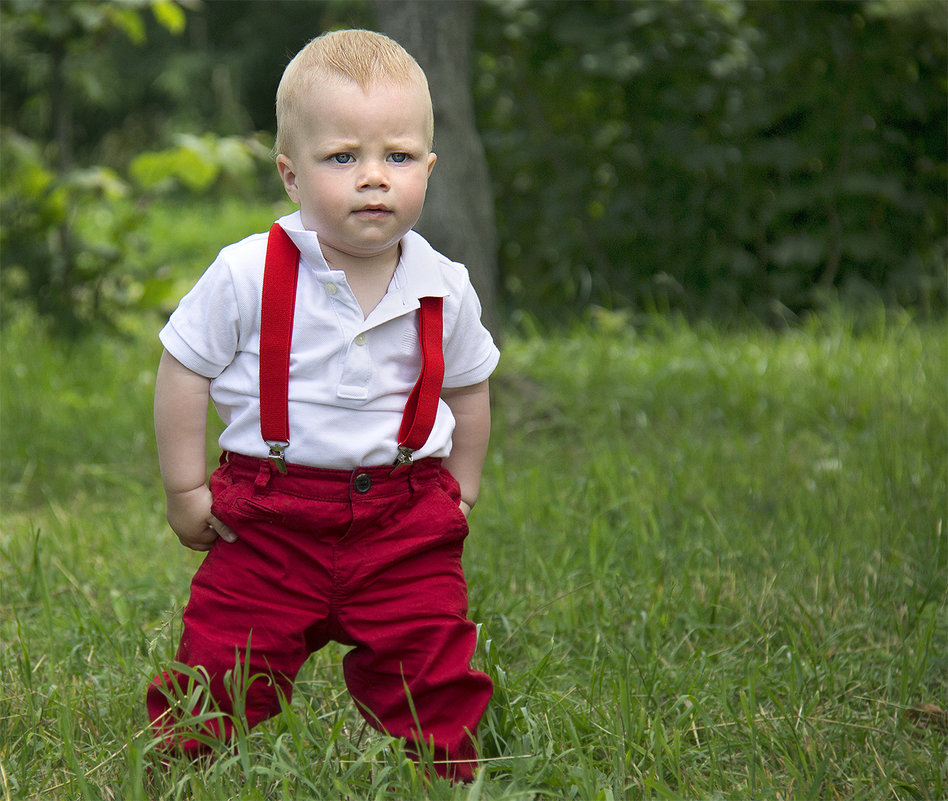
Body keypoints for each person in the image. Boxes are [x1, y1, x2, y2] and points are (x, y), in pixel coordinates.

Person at [146, 29, 497, 783]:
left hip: (406, 519)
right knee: (223, 659)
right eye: (343, 157)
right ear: (291, 175)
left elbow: (468, 386)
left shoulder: (444, 284)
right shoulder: (247, 273)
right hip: (268, 520)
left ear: (429, 170)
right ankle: (187, 771)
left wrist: (462, 485)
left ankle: (443, 773)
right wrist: (184, 489)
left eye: (398, 157)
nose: (374, 177)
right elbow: (183, 368)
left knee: (431, 659)